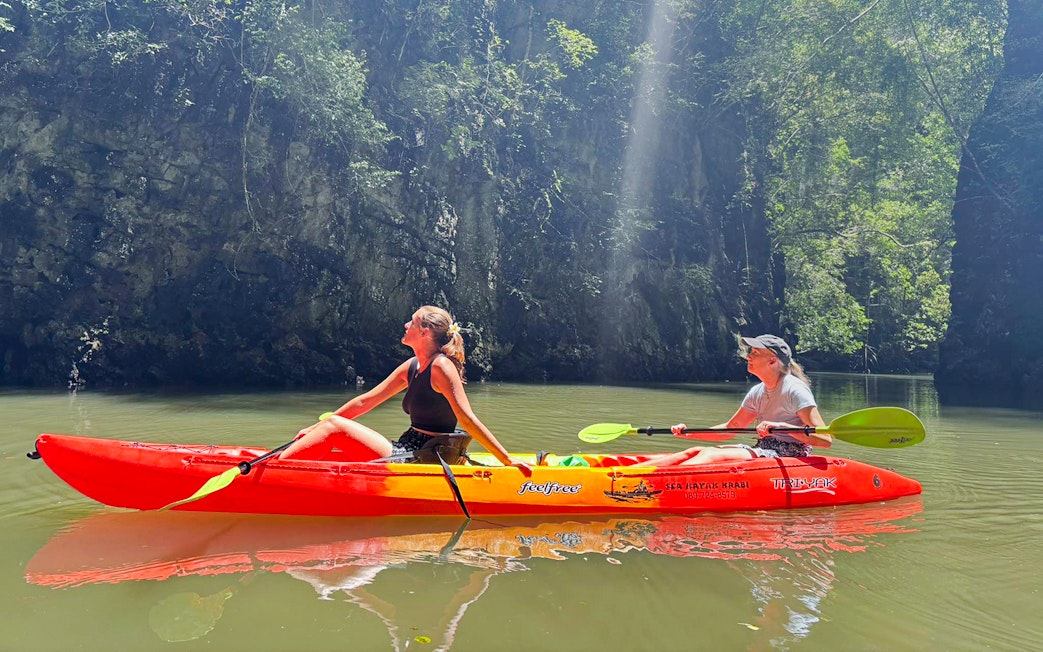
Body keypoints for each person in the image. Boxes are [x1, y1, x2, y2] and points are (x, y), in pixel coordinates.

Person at [280, 305, 531, 471]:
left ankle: (277, 472)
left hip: (427, 456)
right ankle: (287, 466)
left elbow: (466, 419)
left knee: (334, 427)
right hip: (408, 447)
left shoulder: (441, 367)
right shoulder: (412, 366)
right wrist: (313, 428)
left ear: (423, 332)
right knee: (329, 430)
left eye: (410, 322)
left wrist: (506, 460)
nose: (405, 325)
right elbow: (364, 402)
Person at [655, 334, 829, 466]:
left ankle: (656, 483)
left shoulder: (795, 389)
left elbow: (825, 439)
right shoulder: (757, 392)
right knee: (693, 452)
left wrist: (785, 428)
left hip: (791, 454)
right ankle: (632, 475)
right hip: (765, 448)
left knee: (712, 455)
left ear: (772, 361)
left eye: (755, 352)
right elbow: (731, 429)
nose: (749, 357)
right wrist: (688, 433)